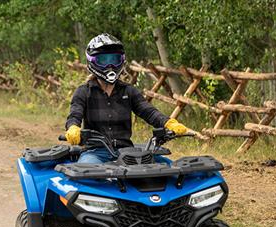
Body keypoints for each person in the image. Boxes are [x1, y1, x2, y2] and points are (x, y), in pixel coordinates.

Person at [64, 33, 188, 163]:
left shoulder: (129, 91)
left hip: (127, 151)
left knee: (164, 168)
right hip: (95, 152)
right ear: (92, 62)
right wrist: (73, 128)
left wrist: (168, 123)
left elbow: (149, 112)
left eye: (114, 59)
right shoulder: (84, 92)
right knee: (87, 170)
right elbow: (74, 115)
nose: (110, 66)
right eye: (104, 60)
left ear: (121, 61)